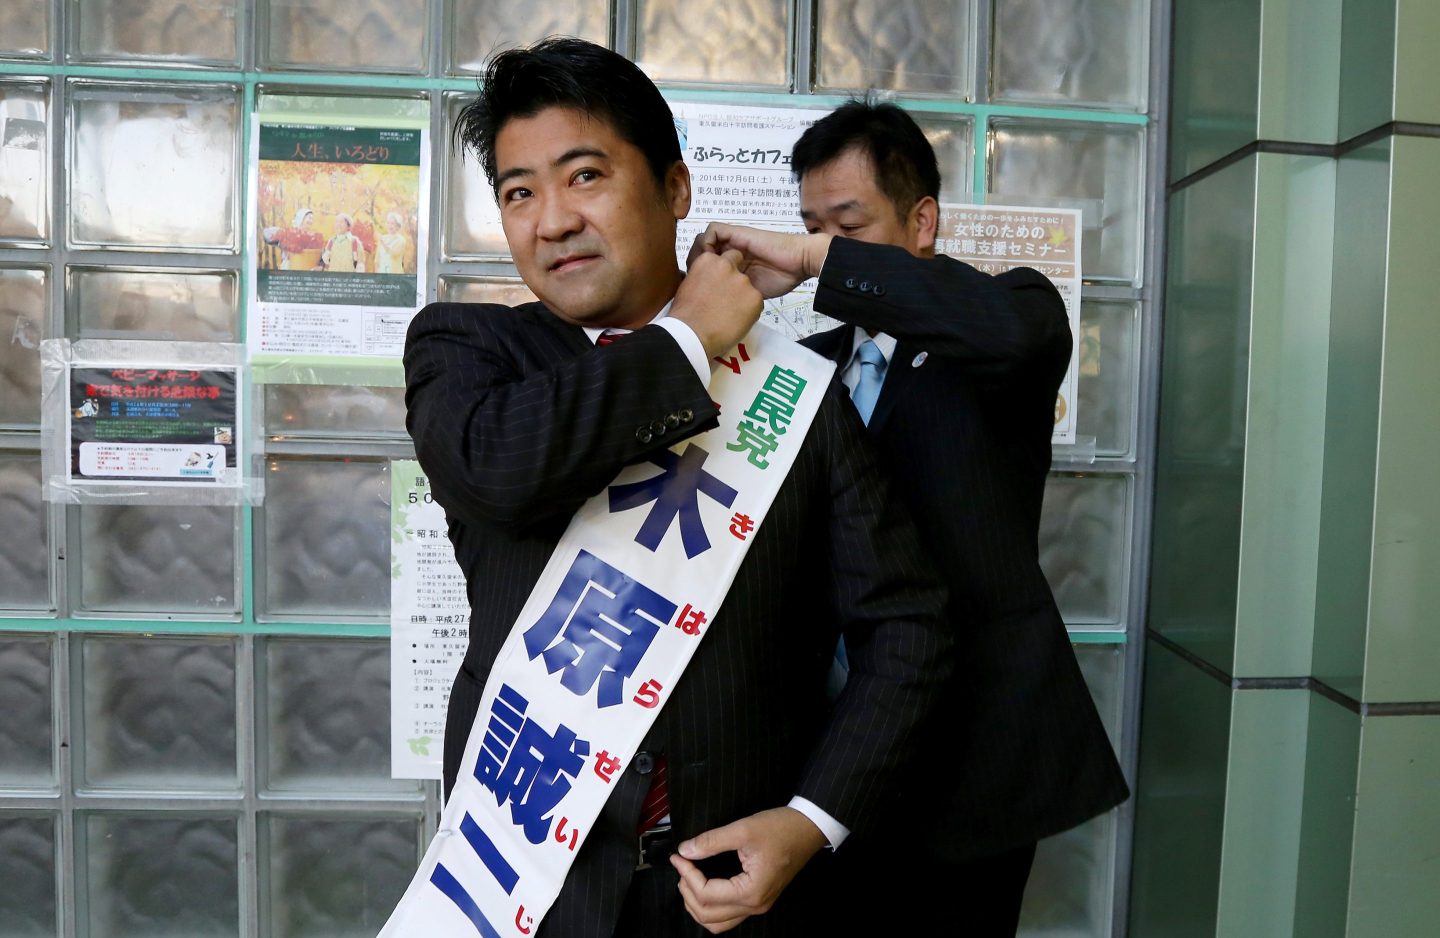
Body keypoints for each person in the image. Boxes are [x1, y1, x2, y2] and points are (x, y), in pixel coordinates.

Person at [404, 40, 953, 937]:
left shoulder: (793, 392)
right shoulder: (469, 351)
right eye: (518, 192)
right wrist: (687, 342)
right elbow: (493, 473)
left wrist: (811, 822)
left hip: (736, 891)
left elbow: (908, 629)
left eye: (585, 176)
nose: (551, 220)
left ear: (675, 191)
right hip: (528, 874)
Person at [689, 99, 1131, 936]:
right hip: (831, 760)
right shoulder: (803, 370)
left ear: (921, 220)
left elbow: (1004, 332)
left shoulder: (1011, 320)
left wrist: (823, 260)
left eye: (847, 225)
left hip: (974, 759)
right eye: (811, 226)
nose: (822, 249)